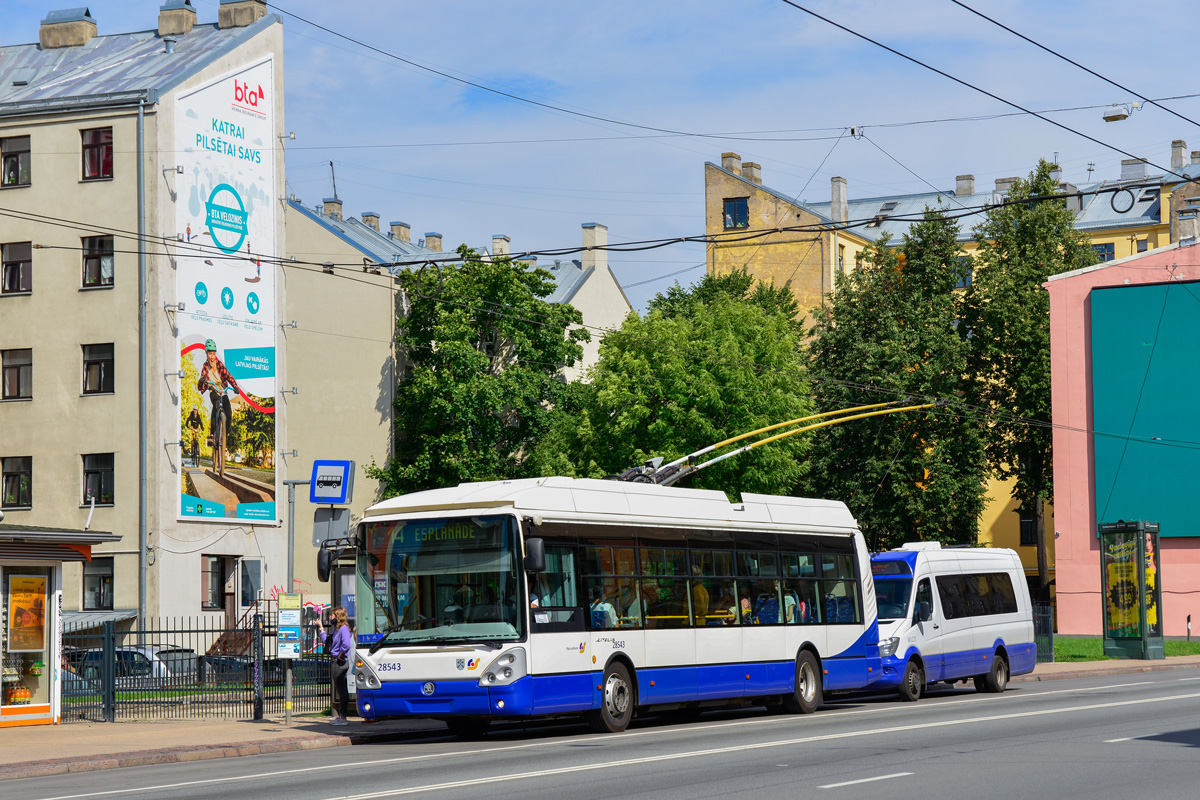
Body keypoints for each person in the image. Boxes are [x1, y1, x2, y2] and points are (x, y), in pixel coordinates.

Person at [196, 339, 242, 448]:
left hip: (223, 391)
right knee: (216, 405)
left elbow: (229, 376)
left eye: (213, 354)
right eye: (209, 354)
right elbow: (200, 386)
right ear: (206, 354)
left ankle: (224, 436)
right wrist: (202, 381)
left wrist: (235, 387)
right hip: (213, 390)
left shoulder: (219, 365)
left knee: (229, 414)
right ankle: (212, 435)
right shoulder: (205, 367)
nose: (212, 357)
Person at [316, 606, 354, 726]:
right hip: (335, 661)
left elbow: (347, 644)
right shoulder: (336, 630)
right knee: (340, 689)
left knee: (342, 690)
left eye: (332, 615)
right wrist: (321, 628)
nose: (331, 617)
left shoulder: (343, 629)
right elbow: (328, 642)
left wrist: (341, 653)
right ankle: (341, 716)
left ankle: (343, 717)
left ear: (338, 616)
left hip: (339, 662)